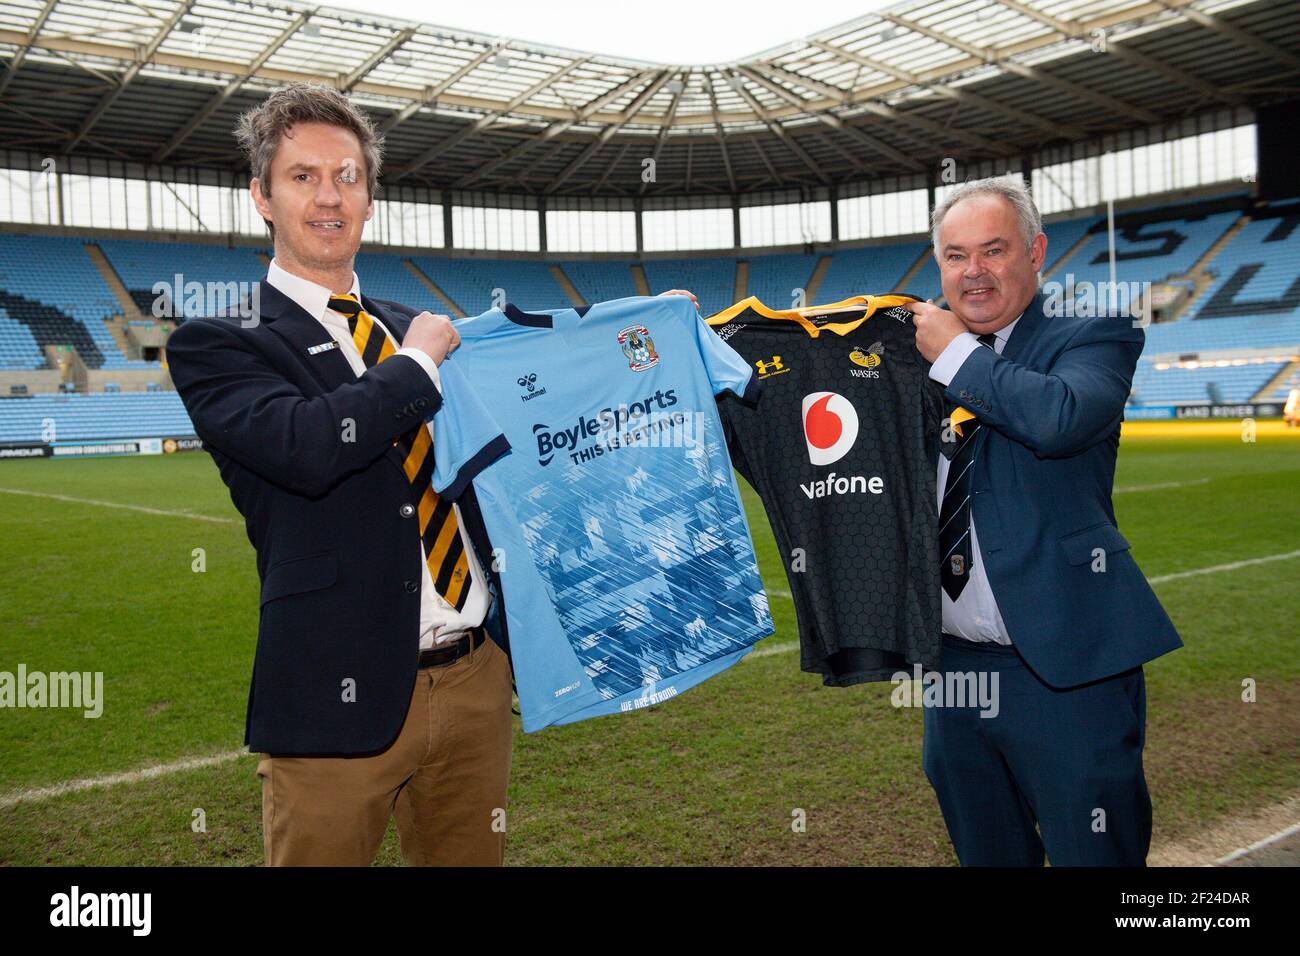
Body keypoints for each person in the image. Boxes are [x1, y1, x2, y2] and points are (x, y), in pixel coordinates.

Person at [166, 83, 513, 866]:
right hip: (332, 693)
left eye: (347, 177)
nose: (329, 197)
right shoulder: (220, 341)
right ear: (260, 196)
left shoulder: (411, 325)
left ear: (370, 197)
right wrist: (419, 363)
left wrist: (639, 339)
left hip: (474, 678)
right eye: (303, 177)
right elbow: (307, 446)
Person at [905, 175, 1183, 866]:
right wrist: (690, 345)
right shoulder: (905, 358)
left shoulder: (1094, 337)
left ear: (1036, 252)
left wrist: (956, 354)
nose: (973, 273)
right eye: (955, 255)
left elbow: (1058, 419)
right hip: (954, 671)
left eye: (993, 251)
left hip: (1064, 669)